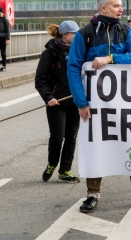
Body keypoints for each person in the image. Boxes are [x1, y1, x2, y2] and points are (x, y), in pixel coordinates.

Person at [67, 0, 131, 213]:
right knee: (96, 145)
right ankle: (92, 193)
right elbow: (74, 68)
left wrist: (110, 59)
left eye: (121, 5)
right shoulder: (85, 34)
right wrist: (81, 102)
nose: (121, 9)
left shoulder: (125, 30)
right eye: (116, 5)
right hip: (95, 105)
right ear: (103, 8)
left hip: (126, 103)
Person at [36, 21, 81, 184]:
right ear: (64, 35)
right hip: (57, 102)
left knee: (71, 137)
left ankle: (65, 171)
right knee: (57, 136)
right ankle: (51, 164)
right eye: (74, 34)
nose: (77, 36)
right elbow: (40, 79)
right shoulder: (50, 53)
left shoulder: (79, 52)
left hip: (75, 101)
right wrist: (48, 97)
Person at [0, 7, 10, 72]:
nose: (0, 14)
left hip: (3, 38)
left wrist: (8, 38)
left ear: (3, 13)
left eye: (1, 12)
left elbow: (8, 30)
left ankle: (4, 66)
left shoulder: (5, 21)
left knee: (3, 52)